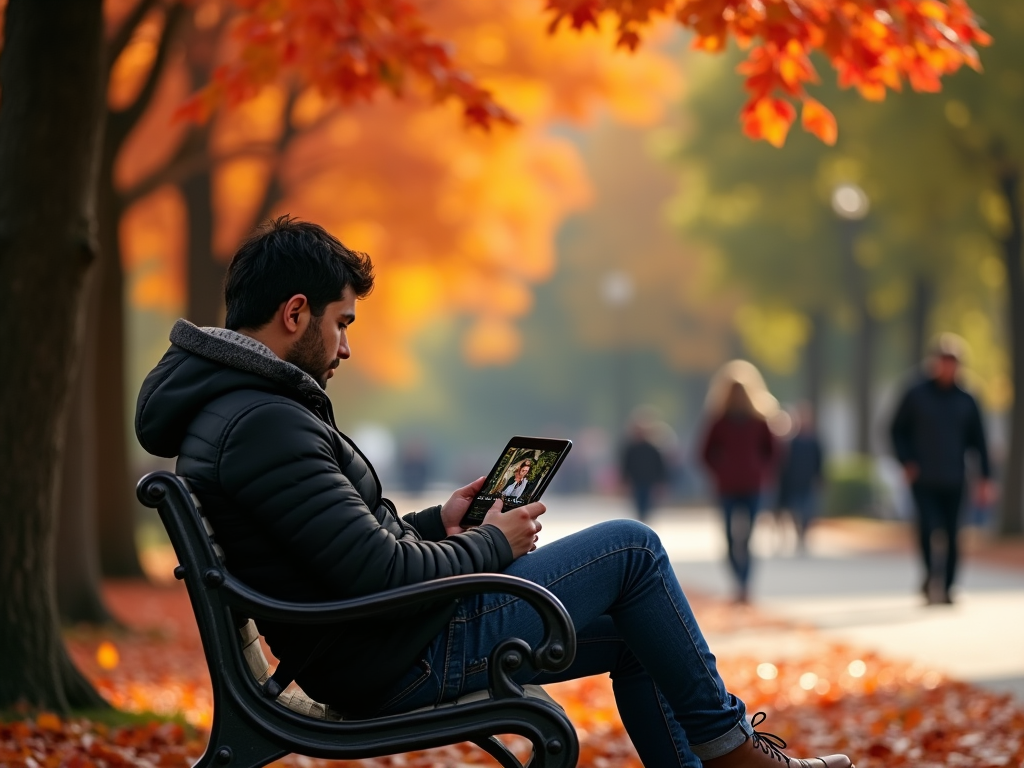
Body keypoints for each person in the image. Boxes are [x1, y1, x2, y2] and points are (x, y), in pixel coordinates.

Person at [135, 217, 851, 768]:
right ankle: (733, 753)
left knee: (642, 630)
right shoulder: (264, 422)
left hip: (375, 640)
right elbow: (377, 571)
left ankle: (721, 755)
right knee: (634, 550)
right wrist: (490, 542)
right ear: (295, 314)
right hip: (395, 656)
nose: (345, 347)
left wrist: (438, 519)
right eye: (341, 323)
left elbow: (344, 543)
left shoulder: (242, 411)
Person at [890, 334, 994, 605]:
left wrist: (985, 477)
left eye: (953, 362)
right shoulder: (916, 394)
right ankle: (929, 573)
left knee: (952, 533)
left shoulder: (967, 399)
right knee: (927, 528)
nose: (948, 367)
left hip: (955, 476)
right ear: (934, 362)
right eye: (944, 361)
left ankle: (947, 587)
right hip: (923, 476)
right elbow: (896, 430)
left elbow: (979, 440)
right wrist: (906, 461)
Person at [701, 362, 779, 604]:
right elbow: (704, 453)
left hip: (753, 486)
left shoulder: (759, 421)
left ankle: (745, 584)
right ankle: (738, 579)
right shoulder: (719, 421)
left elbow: (773, 452)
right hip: (727, 487)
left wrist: (761, 471)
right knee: (729, 537)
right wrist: (720, 471)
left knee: (749, 537)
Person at [775, 403, 825, 553]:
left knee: (808, 512)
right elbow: (784, 464)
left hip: (808, 483)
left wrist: (820, 478)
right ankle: (797, 534)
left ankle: (804, 535)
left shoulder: (815, 441)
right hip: (794, 483)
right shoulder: (791, 442)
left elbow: (819, 462)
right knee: (795, 511)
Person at [620, 418, 668, 523]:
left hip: (649, 482)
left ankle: (644, 521)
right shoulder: (631, 449)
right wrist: (624, 481)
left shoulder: (652, 449)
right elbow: (626, 466)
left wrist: (661, 483)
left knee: (647, 504)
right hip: (636, 482)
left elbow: (659, 466)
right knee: (638, 503)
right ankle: (641, 520)